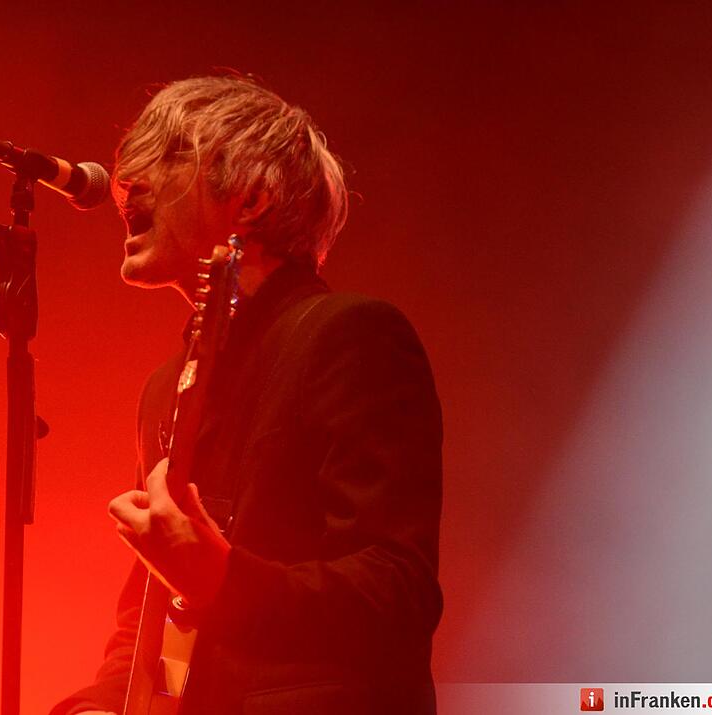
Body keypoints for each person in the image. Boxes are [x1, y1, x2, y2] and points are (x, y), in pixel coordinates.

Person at [51, 74, 443, 715]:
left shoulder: (349, 335)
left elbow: (397, 592)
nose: (130, 183)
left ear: (254, 198)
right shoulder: (166, 387)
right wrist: (103, 704)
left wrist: (223, 579)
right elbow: (149, 609)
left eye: (174, 154)